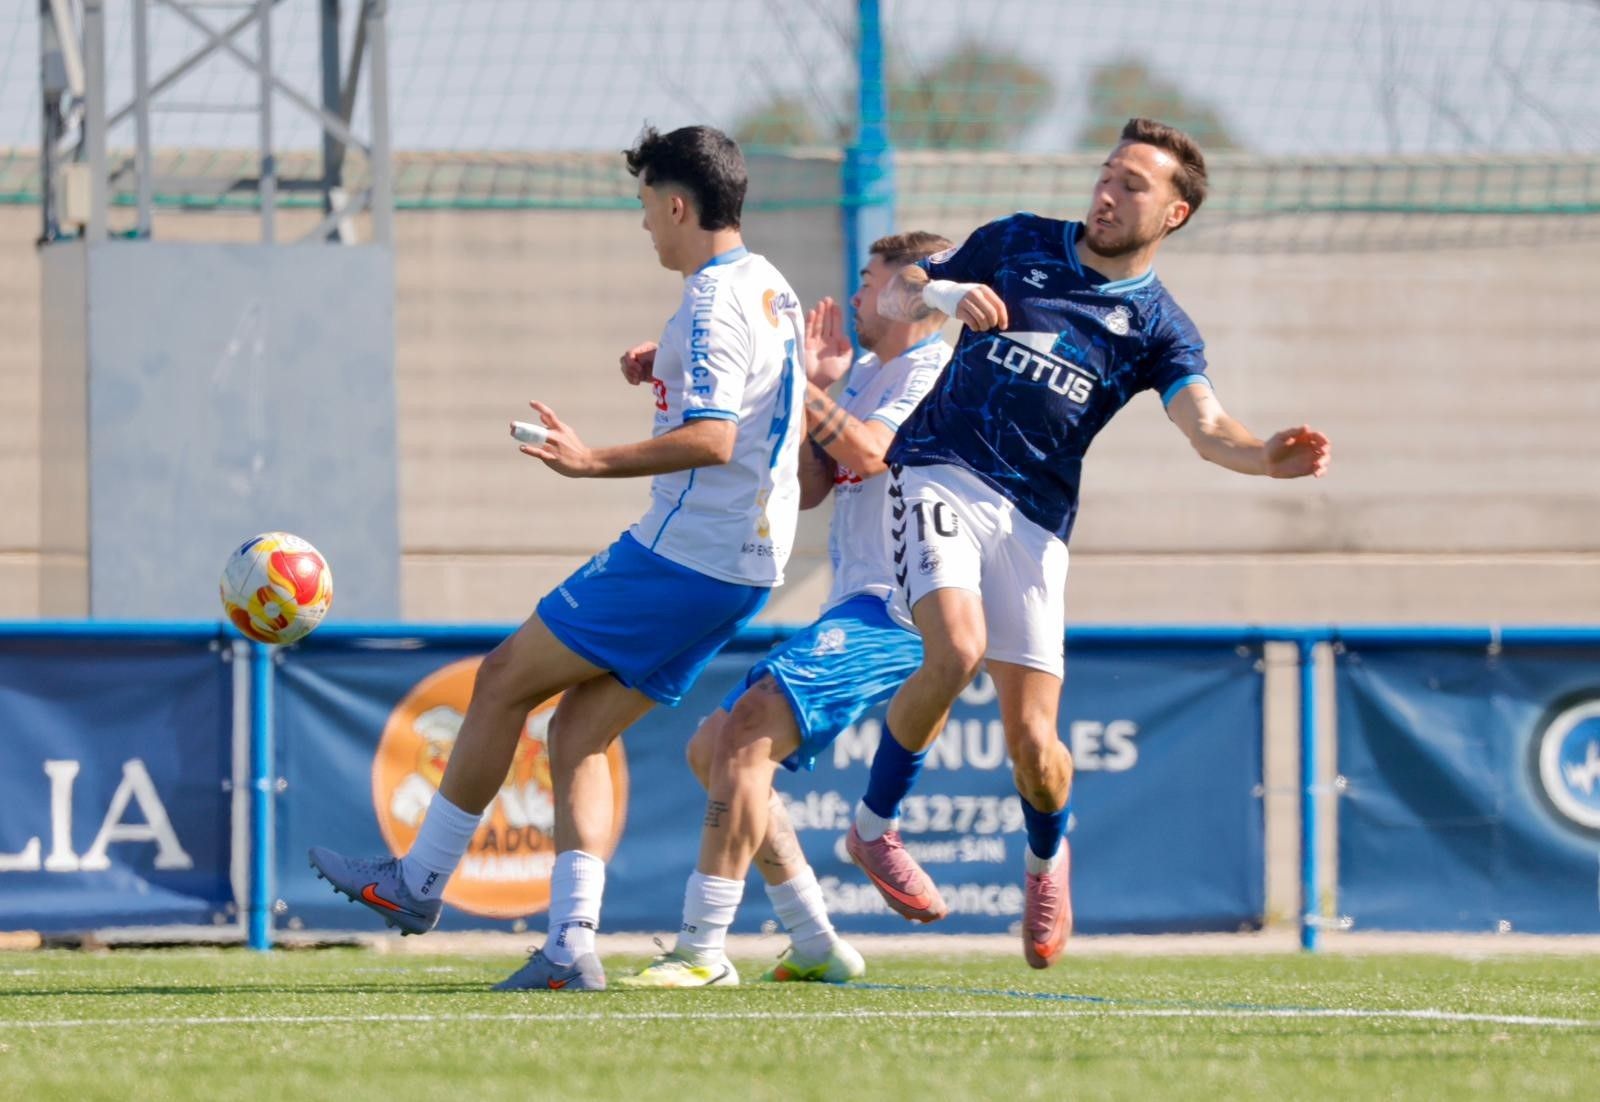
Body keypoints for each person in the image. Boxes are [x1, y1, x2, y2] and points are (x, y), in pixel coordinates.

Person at [308, 124, 809, 993]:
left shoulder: (711, 302)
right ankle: (570, 947)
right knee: (575, 731)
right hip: (741, 565)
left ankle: (417, 882)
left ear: (681, 204)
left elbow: (716, 436)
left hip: (683, 555)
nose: (645, 223)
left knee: (503, 677)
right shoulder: (766, 285)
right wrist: (666, 367)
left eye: (647, 206)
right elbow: (757, 393)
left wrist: (589, 461)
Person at [843, 117, 1333, 969]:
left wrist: (1262, 458)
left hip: (1036, 521)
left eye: (1134, 185)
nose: (1107, 192)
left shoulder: (1161, 327)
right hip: (939, 471)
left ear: (1174, 214)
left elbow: (1206, 425)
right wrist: (945, 293)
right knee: (955, 651)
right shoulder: (1018, 241)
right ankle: (873, 829)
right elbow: (894, 297)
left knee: (1037, 750)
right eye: (1107, 174)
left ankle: (1045, 860)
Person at [612, 232, 955, 989]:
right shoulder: (867, 372)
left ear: (914, 291)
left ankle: (701, 950)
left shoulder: (936, 370)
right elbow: (820, 483)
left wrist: (802, 386)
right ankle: (814, 940)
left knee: (741, 740)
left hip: (900, 610)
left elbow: (868, 454)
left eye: (869, 283)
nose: (857, 297)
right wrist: (811, 394)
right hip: (857, 602)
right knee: (714, 750)